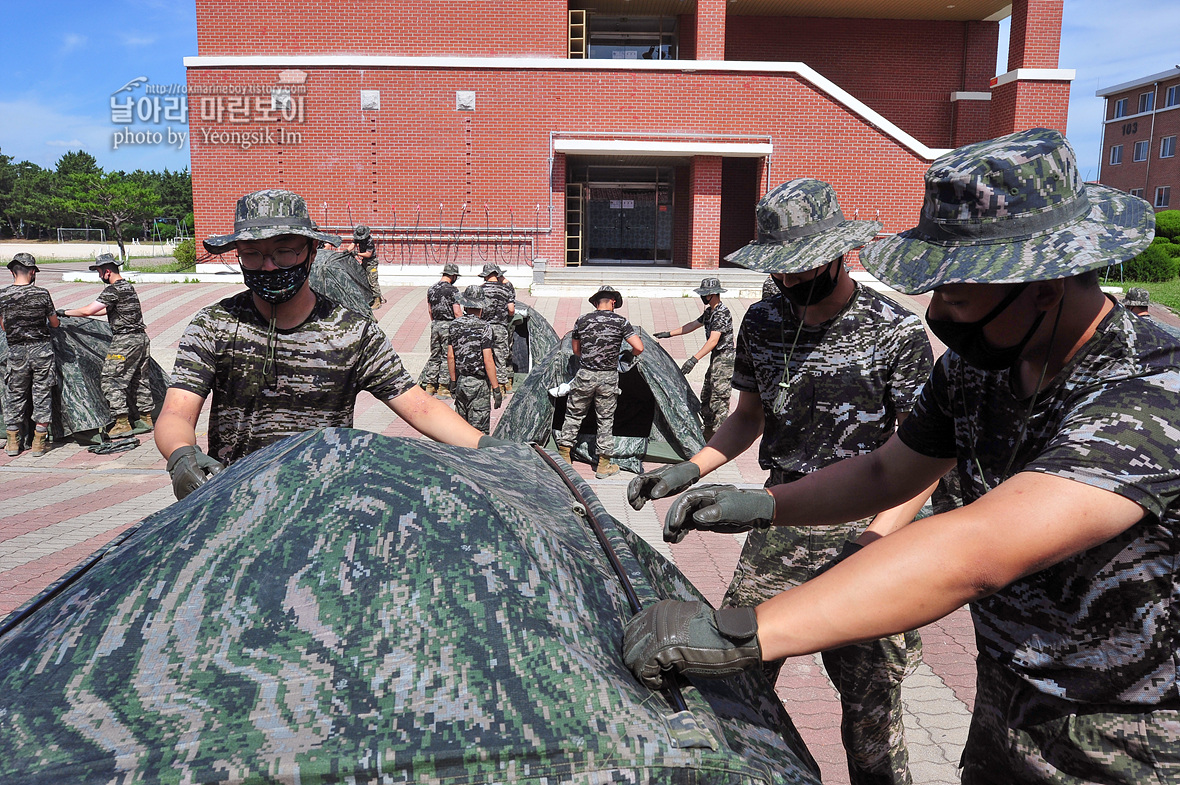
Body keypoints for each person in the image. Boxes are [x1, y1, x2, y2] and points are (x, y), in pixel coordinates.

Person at [622, 129, 1179, 785]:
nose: (938, 313)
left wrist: (742, 631)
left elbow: (977, 550)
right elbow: (889, 468)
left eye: (958, 296)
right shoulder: (984, 370)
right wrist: (766, 503)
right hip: (1007, 728)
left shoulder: (1146, 395)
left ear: (1043, 286)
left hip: (1120, 756)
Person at [629, 178, 934, 785]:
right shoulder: (765, 321)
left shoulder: (896, 331)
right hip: (782, 519)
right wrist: (689, 467)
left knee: (870, 708)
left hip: (874, 527)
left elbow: (924, 457)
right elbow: (747, 416)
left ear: (837, 253)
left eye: (799, 269)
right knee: (734, 678)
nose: (788, 283)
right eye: (779, 271)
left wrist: (876, 540)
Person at [155, 188, 489, 501]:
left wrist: (488, 447)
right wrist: (181, 455)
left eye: (284, 252)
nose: (268, 266)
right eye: (252, 255)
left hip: (324, 507)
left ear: (312, 252)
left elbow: (420, 407)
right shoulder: (215, 324)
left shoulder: (353, 332)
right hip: (237, 499)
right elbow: (175, 412)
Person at [61, 253, 154, 438]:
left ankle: (122, 423)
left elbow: (89, 310)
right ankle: (146, 418)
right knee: (139, 379)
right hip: (141, 339)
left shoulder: (113, 289)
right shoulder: (127, 287)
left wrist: (65, 312)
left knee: (110, 379)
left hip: (125, 341)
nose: (98, 276)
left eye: (99, 272)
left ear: (107, 271)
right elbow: (105, 310)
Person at [556, 285, 644, 478]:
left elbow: (576, 351)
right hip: (608, 377)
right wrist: (626, 356)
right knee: (605, 420)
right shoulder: (621, 322)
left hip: (585, 374)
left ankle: (564, 456)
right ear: (613, 302)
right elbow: (639, 347)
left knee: (574, 414)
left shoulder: (582, 320)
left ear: (596, 302)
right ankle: (603, 465)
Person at [652, 277, 735, 440]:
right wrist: (669, 334)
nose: (702, 297)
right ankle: (709, 432)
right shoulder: (710, 311)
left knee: (719, 398)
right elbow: (692, 325)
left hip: (725, 359)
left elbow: (713, 341)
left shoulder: (721, 313)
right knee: (706, 395)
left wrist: (693, 360)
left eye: (705, 294)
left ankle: (721, 437)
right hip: (716, 358)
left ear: (713, 294)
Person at [0, 253, 59, 457]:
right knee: (42, 394)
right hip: (41, 351)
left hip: (16, 352)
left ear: (11, 272)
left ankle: (13, 442)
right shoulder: (42, 294)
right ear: (32, 272)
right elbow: (54, 323)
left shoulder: (2, 295)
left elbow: (4, 327)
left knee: (15, 395)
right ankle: (38, 443)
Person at [447, 284, 500, 434]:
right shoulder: (485, 327)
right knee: (478, 432)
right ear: (481, 306)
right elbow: (488, 359)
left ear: (465, 304)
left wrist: (452, 381)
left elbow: (450, 356)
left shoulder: (454, 325)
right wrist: (496, 389)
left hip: (462, 382)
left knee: (461, 430)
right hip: (479, 385)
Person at [420, 262, 462, 397]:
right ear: (453, 275)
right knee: (446, 356)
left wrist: (435, 323)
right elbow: (457, 312)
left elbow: (430, 310)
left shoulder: (431, 289)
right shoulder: (453, 290)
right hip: (448, 325)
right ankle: (443, 387)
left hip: (435, 325)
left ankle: (430, 385)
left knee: (434, 355)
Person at [479, 263, 515, 394]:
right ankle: (502, 385)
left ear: (486, 276)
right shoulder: (506, 289)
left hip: (484, 328)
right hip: (500, 327)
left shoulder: (480, 290)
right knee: (501, 357)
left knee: (486, 356)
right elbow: (511, 310)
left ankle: (489, 384)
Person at [340, 224, 382, 308]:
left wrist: (357, 253)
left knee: (372, 281)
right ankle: (368, 298)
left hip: (371, 263)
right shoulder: (359, 238)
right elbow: (353, 244)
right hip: (365, 262)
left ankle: (377, 300)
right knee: (362, 278)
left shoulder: (369, 241)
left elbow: (368, 254)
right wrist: (347, 250)